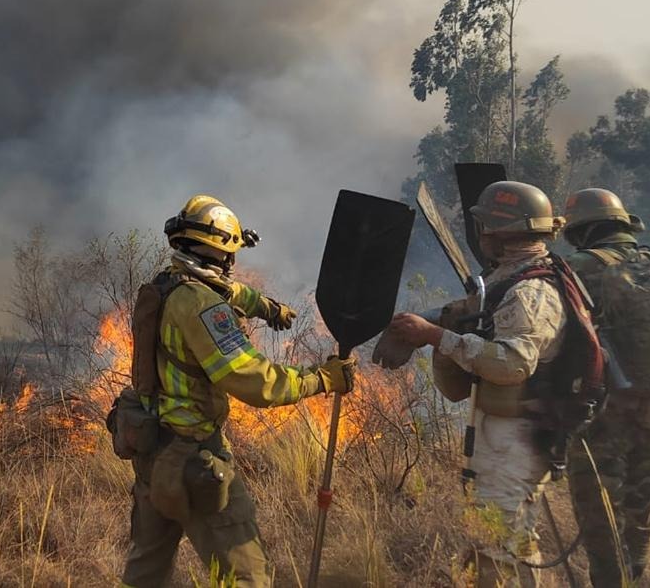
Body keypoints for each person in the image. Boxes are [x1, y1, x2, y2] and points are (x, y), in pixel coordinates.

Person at [117, 194, 355, 588]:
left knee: (146, 572)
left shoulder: (165, 287)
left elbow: (224, 291)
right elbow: (256, 382)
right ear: (224, 255)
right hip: (194, 463)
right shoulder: (203, 307)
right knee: (247, 577)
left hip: (151, 456)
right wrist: (323, 378)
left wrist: (264, 306)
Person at [386, 181, 571, 587]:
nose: (481, 236)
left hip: (517, 440)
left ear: (502, 234)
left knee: (501, 547)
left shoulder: (530, 292)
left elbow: (513, 365)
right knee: (498, 541)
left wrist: (438, 337)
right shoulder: (509, 281)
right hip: (503, 436)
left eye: (486, 228)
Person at [561, 188, 650, 586]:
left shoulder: (577, 268)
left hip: (605, 417)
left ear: (582, 231)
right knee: (639, 514)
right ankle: (636, 577)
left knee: (601, 519)